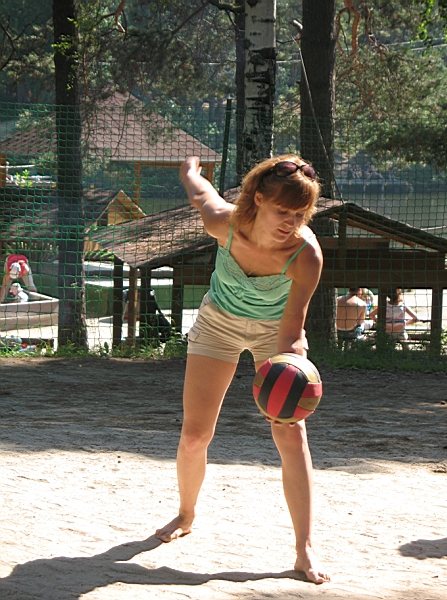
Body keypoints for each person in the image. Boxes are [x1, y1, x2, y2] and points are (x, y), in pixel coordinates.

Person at [155, 155, 329, 584]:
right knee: (195, 435)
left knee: (291, 433)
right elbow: (202, 195)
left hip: (276, 330)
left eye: (300, 214)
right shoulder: (224, 223)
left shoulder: (306, 254)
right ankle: (186, 514)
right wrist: (190, 172)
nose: (292, 222)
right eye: (283, 211)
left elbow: (292, 330)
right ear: (258, 199)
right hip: (219, 322)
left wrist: (290, 376)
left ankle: (304, 549)